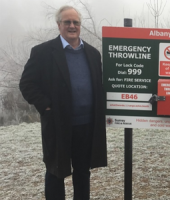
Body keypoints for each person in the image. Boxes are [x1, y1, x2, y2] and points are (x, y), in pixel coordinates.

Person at [19, 5, 107, 200]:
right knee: (55, 171)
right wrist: (46, 106)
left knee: (83, 172)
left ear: (80, 26)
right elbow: (27, 84)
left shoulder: (93, 54)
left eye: (76, 22)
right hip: (57, 125)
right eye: (67, 22)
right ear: (59, 25)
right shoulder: (43, 52)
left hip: (86, 125)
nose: (72, 26)